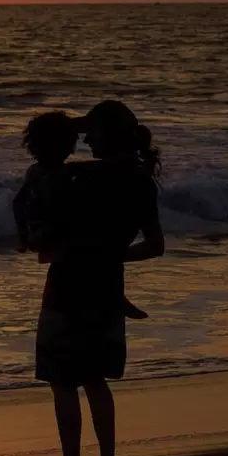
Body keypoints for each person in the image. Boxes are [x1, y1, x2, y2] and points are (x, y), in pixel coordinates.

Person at [33, 101, 165, 456]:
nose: (86, 139)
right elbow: (155, 245)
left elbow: (48, 234)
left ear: (108, 135)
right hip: (109, 288)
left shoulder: (76, 178)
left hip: (67, 285)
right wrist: (110, 255)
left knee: (63, 382)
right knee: (95, 381)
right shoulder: (142, 181)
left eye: (92, 132)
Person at [13, 110, 148, 319]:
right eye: (71, 141)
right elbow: (65, 210)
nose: (79, 143)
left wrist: (23, 233)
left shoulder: (36, 171)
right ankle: (117, 297)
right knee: (102, 263)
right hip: (52, 230)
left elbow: (18, 201)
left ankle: (117, 296)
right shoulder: (64, 175)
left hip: (42, 230)